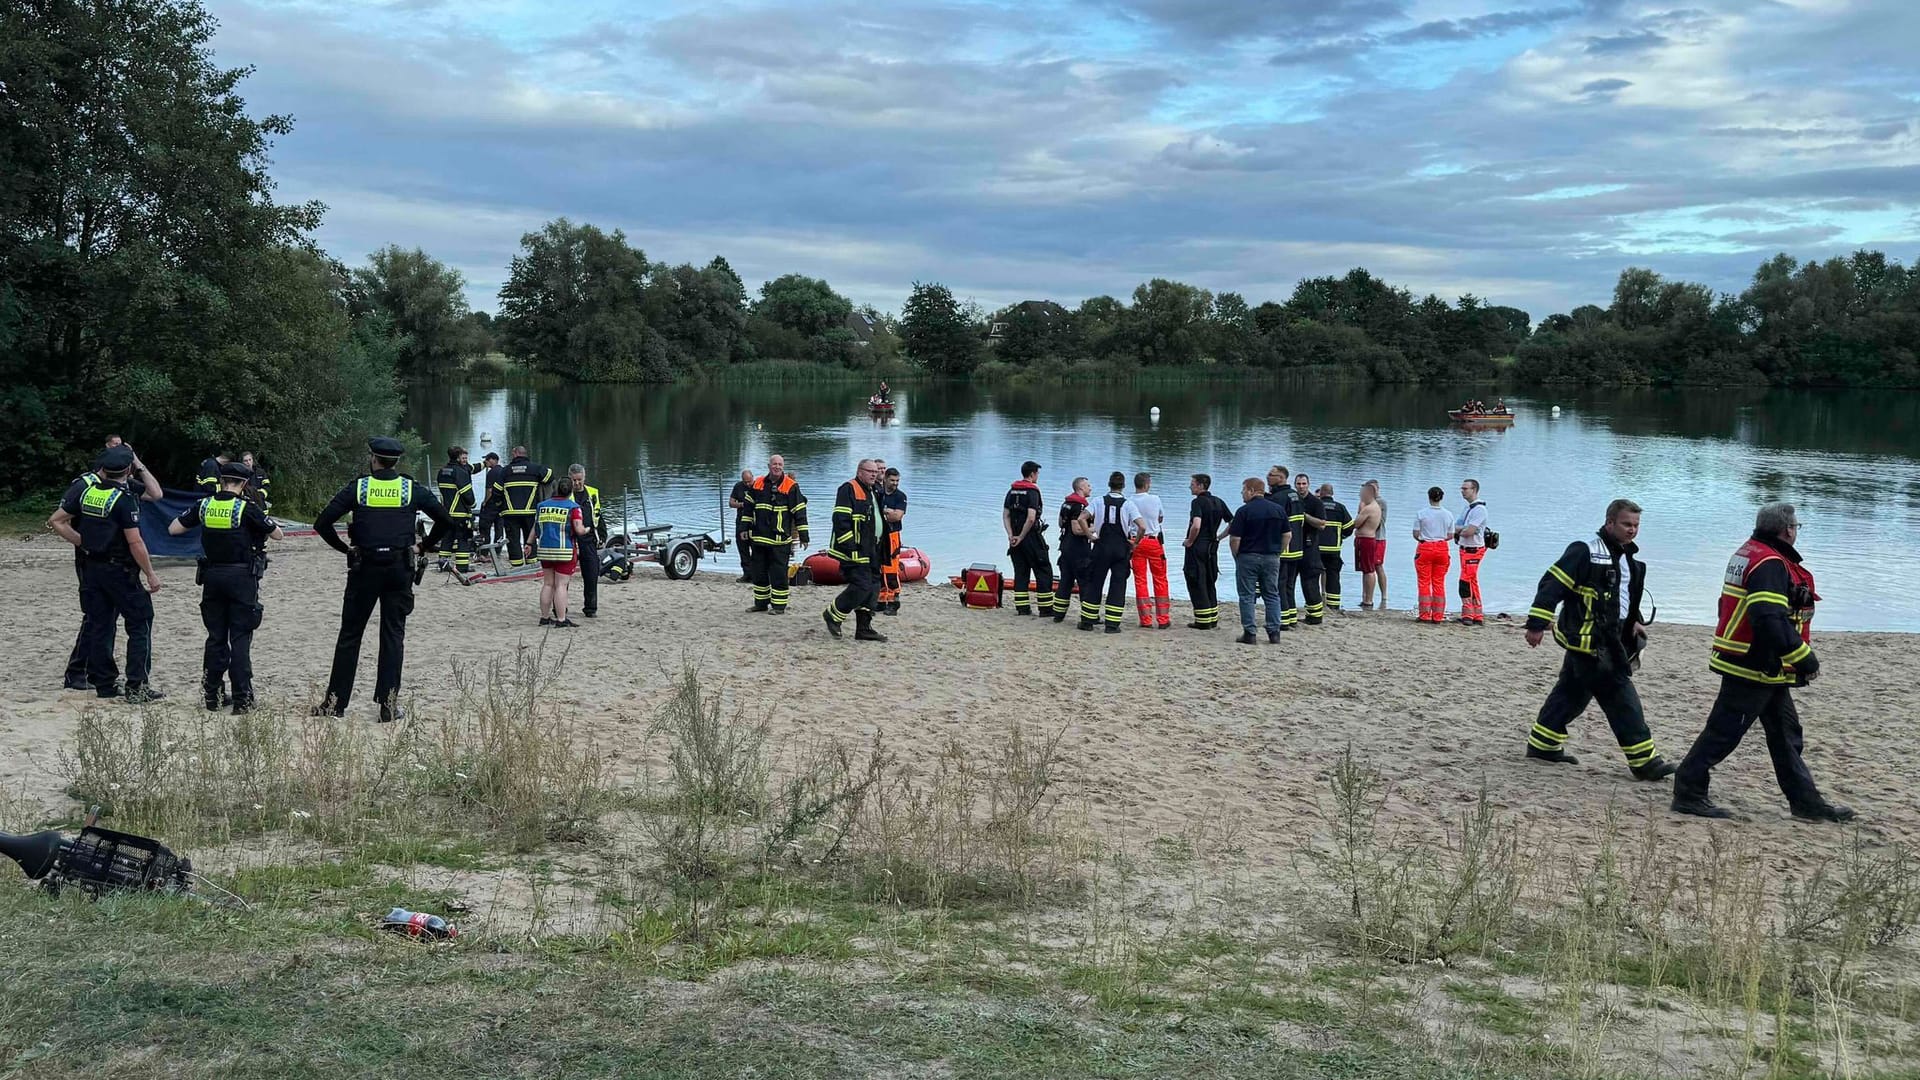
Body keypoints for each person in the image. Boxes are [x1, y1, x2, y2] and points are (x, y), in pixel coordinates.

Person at [1671, 504, 1853, 822]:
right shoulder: (1770, 563)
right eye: (1796, 527)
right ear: (1787, 530)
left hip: (1760, 664)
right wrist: (1803, 658)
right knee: (1723, 733)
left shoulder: (1751, 552)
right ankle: (1688, 792)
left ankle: (1807, 804)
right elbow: (1768, 618)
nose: (1796, 532)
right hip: (1754, 664)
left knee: (1786, 735)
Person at [1522, 499, 1676, 780]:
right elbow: (1552, 585)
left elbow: (1622, 597)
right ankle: (1645, 761)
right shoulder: (1585, 551)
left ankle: (1543, 744)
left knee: (1572, 692)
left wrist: (1634, 620)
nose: (1632, 530)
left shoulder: (1627, 557)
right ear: (1609, 523)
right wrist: (1536, 625)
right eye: (1626, 524)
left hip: (1608, 639)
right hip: (1592, 642)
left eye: (1636, 525)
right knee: (1621, 698)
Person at [311, 437, 456, 723]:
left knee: (350, 635)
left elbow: (322, 523)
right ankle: (388, 706)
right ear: (396, 461)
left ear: (373, 459)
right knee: (392, 636)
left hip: (364, 567)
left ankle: (335, 704)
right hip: (399, 568)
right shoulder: (410, 489)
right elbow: (445, 521)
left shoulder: (360, 488)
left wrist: (345, 549)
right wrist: (423, 546)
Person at [48, 447, 164, 701]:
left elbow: (56, 520)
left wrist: (83, 542)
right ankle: (137, 686)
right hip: (119, 569)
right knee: (140, 622)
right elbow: (135, 542)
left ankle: (104, 683)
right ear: (128, 469)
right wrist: (150, 573)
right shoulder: (124, 499)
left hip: (92, 567)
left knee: (100, 625)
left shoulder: (88, 492)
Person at [169, 461, 283, 712]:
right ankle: (242, 699)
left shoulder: (204, 505)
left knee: (216, 637)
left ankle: (212, 695)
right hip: (242, 577)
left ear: (221, 481)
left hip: (212, 577)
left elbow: (174, 528)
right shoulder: (246, 508)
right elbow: (277, 534)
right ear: (244, 484)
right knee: (240, 637)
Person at [823, 458, 888, 642]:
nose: (874, 474)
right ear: (860, 472)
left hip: (873, 548)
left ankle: (864, 628)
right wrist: (850, 547)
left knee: (873, 587)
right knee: (862, 585)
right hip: (855, 549)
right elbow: (840, 521)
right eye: (870, 471)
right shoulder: (848, 489)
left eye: (876, 472)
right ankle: (833, 614)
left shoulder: (874, 490)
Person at [745, 454, 808, 613]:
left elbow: (800, 512)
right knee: (759, 574)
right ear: (769, 466)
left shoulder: (791, 486)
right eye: (774, 464)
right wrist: (744, 528)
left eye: (780, 464)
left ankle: (779, 606)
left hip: (780, 541)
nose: (777, 467)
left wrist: (804, 536)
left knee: (779, 575)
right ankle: (760, 604)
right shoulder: (758, 483)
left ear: (783, 467)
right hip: (759, 539)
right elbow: (748, 508)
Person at [1079, 472, 1137, 634]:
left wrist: (1090, 535)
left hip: (1101, 547)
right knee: (1118, 584)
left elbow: (1081, 518)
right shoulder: (1128, 504)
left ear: (1109, 484)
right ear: (1123, 486)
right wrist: (1135, 542)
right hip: (1120, 549)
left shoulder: (1098, 501)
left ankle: (1087, 622)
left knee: (1094, 582)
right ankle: (1112, 625)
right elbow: (1142, 525)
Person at [1229, 477, 1286, 644]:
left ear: (1251, 491)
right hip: (1271, 557)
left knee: (1247, 595)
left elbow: (1235, 539)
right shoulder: (1278, 510)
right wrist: (1278, 552)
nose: (1242, 494)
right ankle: (1274, 633)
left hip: (1248, 556)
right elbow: (1287, 535)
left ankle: (1250, 633)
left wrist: (1237, 556)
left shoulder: (1243, 511)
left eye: (1243, 490)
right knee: (1272, 595)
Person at [535, 475, 590, 627]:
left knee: (548, 584)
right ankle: (561, 619)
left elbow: (536, 527)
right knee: (561, 585)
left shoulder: (542, 506)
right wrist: (587, 529)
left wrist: (528, 543)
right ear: (570, 491)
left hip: (544, 549)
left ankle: (544, 617)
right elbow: (579, 529)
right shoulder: (573, 507)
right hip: (564, 550)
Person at [1182, 474, 1233, 630]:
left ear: (1200, 486)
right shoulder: (1218, 501)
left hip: (1198, 546)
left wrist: (1189, 541)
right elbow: (1233, 522)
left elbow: (1196, 525)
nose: (1190, 487)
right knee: (1210, 580)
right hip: (1212, 546)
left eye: (1192, 484)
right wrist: (1219, 537)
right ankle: (1212, 618)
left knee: (1196, 579)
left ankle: (1203, 621)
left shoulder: (1197, 502)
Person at [1002, 461, 1053, 615]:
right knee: (1043, 570)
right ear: (1032, 474)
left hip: (1014, 538)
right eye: (1037, 473)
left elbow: (1006, 515)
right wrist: (1022, 536)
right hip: (1030, 537)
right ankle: (1045, 609)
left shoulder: (1011, 491)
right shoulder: (1032, 492)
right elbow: (1031, 518)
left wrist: (1011, 535)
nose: (1038, 476)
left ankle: (1022, 608)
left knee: (1021, 572)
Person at [1129, 472, 1171, 629]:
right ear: (1147, 484)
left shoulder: (1129, 501)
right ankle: (1163, 619)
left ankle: (1145, 619)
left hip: (1136, 542)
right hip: (1153, 542)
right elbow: (1160, 518)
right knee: (1160, 579)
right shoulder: (1155, 499)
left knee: (1140, 580)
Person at [498, 445, 552, 567]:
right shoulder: (535, 468)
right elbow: (550, 476)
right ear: (525, 454)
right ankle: (532, 563)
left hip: (510, 513)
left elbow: (497, 491)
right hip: (530, 512)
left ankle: (516, 565)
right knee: (530, 538)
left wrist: (499, 505)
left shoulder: (505, 471)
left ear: (515, 454)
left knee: (513, 540)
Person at [1051, 477, 1093, 622]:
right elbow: (1077, 530)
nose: (1090, 488)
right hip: (1079, 549)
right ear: (1080, 488)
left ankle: (1058, 614)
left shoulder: (1066, 503)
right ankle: (1088, 616)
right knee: (1085, 583)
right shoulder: (1079, 506)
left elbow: (1060, 523)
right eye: (1088, 485)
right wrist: (1094, 529)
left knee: (1065, 582)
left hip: (1065, 547)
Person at [568, 464, 607, 617]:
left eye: (579, 480)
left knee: (591, 575)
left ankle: (590, 608)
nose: (577, 483)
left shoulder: (592, 493)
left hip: (589, 539)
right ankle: (560, 608)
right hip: (569, 540)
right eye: (574, 480)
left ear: (584, 478)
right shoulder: (564, 493)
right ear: (569, 479)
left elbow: (598, 515)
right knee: (563, 578)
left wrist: (602, 535)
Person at [1290, 472, 1328, 626]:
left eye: (1304, 484)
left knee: (1309, 583)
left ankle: (1315, 617)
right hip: (1294, 546)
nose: (1301, 487)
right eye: (1298, 484)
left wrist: (1304, 516)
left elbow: (1322, 524)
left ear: (1308, 485)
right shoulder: (1292, 500)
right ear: (1295, 485)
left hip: (1310, 547)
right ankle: (1291, 615)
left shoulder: (1315, 502)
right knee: (1289, 582)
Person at [1413, 487, 1454, 624]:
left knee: (1424, 582)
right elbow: (1451, 535)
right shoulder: (1448, 514)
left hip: (1425, 547)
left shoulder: (1421, 513)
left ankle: (1424, 615)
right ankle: (1437, 616)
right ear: (1441, 498)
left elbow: (1416, 534)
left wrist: (1424, 539)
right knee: (1439, 582)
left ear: (1429, 497)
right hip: (1442, 548)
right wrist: (1439, 539)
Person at [435, 447, 478, 577]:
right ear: (458, 457)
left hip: (446, 512)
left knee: (447, 539)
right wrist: (473, 504)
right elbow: (467, 494)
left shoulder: (442, 471)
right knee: (463, 539)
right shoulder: (460, 472)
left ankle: (443, 565)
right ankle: (462, 567)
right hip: (460, 513)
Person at [1265, 466, 1300, 627]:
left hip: (1283, 549)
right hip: (1297, 548)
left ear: (1281, 478)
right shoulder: (1295, 495)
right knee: (1289, 586)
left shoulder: (1278, 498)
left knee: (1279, 585)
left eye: (1271, 475)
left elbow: (1273, 524)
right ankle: (1291, 617)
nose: (1268, 477)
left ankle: (1282, 620)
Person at [1454, 479, 1489, 626]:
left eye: (1465, 488)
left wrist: (1461, 530)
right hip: (1464, 548)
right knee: (1472, 581)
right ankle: (1477, 615)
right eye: (1462, 488)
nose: (1462, 491)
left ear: (1474, 490)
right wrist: (1462, 530)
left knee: (1465, 581)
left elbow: (1469, 531)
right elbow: (1457, 527)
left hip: (1474, 550)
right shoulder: (1468, 508)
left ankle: (1468, 614)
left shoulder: (1479, 509)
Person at [1317, 483, 1354, 614]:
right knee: (1333, 577)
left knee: (1313, 576)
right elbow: (1349, 527)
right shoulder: (1340, 508)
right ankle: (1333, 605)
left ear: (1321, 493)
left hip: (1316, 549)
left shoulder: (1316, 506)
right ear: (1332, 493)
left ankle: (1314, 604)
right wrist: (1341, 536)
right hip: (1333, 549)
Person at [878, 466, 908, 615]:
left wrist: (883, 511)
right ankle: (881, 601)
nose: (895, 483)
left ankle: (894, 603)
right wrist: (887, 511)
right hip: (880, 535)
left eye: (897, 481)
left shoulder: (900, 496)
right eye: (892, 480)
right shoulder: (879, 493)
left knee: (891, 570)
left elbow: (896, 516)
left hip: (892, 535)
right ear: (885, 479)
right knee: (879, 569)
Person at [476, 451, 505, 560]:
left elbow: (489, 490)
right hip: (502, 505)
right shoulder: (504, 471)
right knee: (499, 528)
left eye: (487, 460)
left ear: (494, 460)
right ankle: (497, 551)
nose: (486, 462)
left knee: (484, 527)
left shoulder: (491, 472)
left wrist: (485, 502)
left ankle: (484, 552)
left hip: (491, 504)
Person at [729, 468, 755, 582]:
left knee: (756, 548)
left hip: (754, 522)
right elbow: (731, 503)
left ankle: (756, 573)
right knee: (742, 548)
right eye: (745, 482)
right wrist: (742, 505)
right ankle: (746, 574)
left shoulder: (758, 486)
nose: (748, 484)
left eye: (749, 481)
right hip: (741, 521)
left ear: (753, 478)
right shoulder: (738, 486)